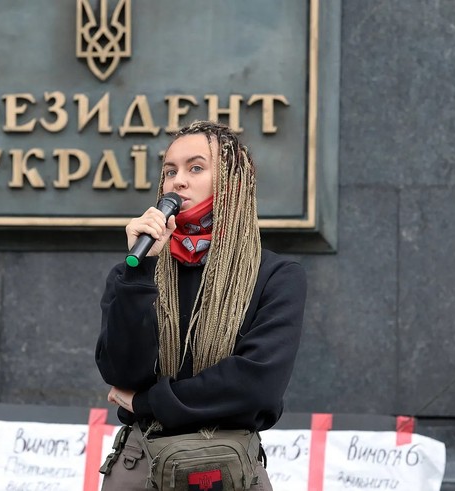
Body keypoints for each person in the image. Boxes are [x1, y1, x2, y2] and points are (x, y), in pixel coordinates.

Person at [95, 120, 307, 490]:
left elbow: (255, 386)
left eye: (195, 168)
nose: (178, 181)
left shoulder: (275, 275)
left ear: (232, 183)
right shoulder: (134, 272)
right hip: (140, 466)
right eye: (170, 171)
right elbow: (121, 372)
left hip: (226, 471)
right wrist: (140, 270)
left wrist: (146, 404)